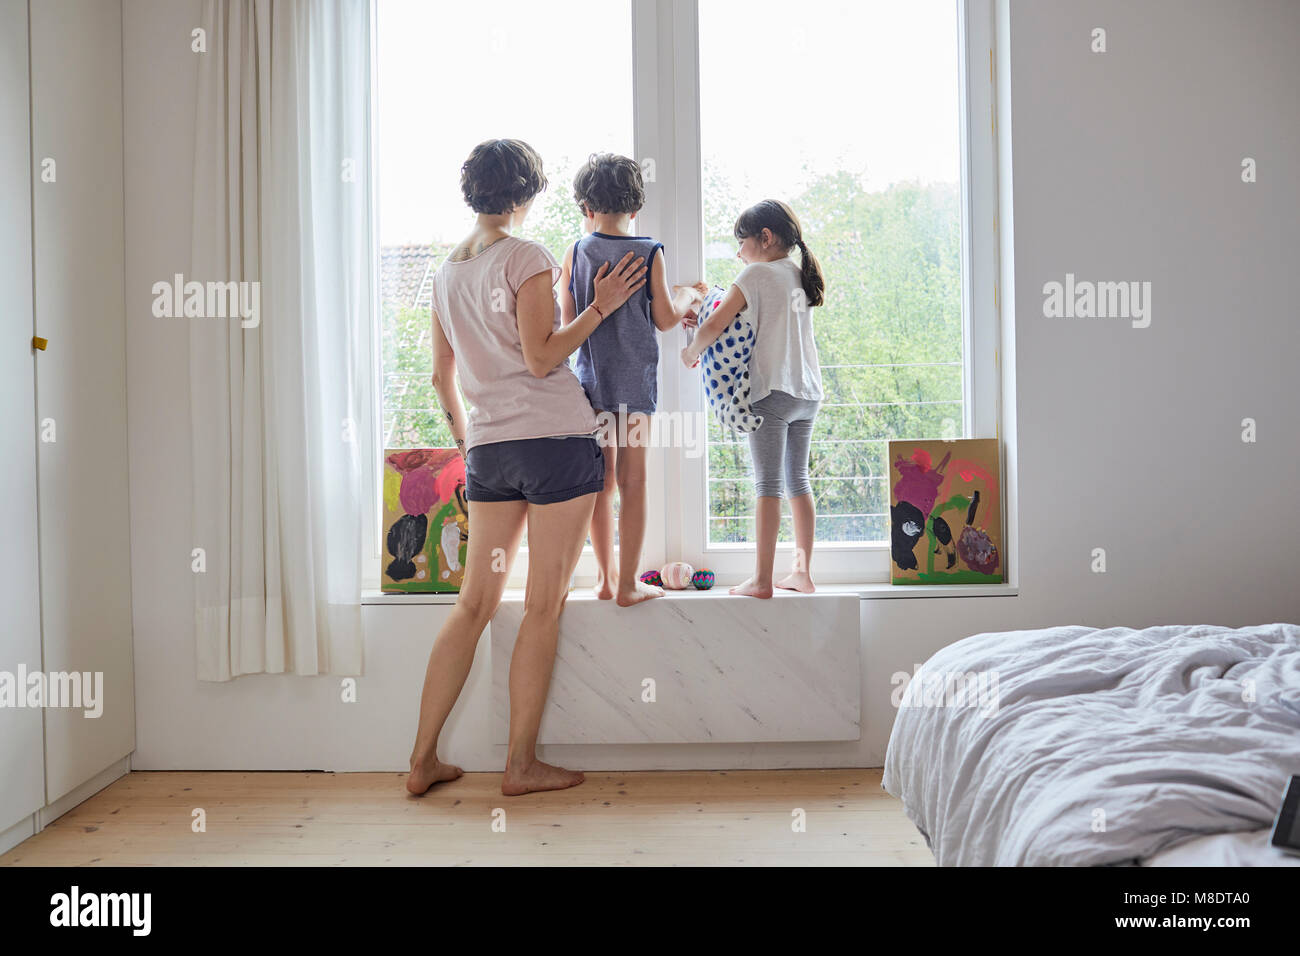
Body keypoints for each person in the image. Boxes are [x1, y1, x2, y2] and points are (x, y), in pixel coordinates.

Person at [407, 139, 646, 796]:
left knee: (473, 605)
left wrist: (469, 444)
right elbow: (542, 358)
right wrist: (601, 306)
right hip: (554, 443)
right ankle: (520, 766)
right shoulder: (526, 256)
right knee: (543, 606)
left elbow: (440, 377)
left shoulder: (446, 274)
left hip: (489, 452)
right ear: (526, 193)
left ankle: (421, 761)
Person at [559, 153, 704, 605]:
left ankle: (605, 580)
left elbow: (567, 322)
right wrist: (687, 295)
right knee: (634, 481)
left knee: (601, 484)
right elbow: (665, 319)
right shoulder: (648, 251)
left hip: (592, 387)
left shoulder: (576, 252)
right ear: (636, 207)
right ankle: (628, 585)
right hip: (636, 388)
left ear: (586, 207)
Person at [682, 199, 825, 598]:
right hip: (807, 393)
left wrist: (691, 351)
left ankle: (762, 580)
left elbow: (717, 323)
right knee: (799, 481)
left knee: (768, 486)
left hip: (772, 392)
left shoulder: (756, 273)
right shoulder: (798, 273)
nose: (739, 252)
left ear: (765, 237)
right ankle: (802, 574)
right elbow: (747, 324)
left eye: (741, 242)